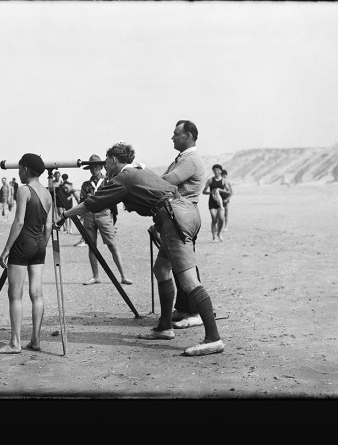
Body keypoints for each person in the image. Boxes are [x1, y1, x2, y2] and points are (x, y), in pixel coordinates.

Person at [58, 142, 224, 356]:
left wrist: (64, 215)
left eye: (107, 163)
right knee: (161, 270)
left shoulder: (123, 178)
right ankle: (165, 327)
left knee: (189, 280)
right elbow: (165, 191)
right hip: (180, 212)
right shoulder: (139, 170)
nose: (105, 167)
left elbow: (91, 204)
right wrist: (161, 224)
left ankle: (213, 338)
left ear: (114, 161)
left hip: (174, 218)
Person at [0, 153, 53, 354]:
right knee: (36, 294)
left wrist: (7, 249)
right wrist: (41, 246)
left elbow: (19, 222)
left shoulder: (23, 190)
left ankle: (15, 343)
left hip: (23, 244)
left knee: (15, 295)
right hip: (39, 245)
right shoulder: (47, 193)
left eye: (19, 169)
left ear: (26, 169)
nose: (18, 173)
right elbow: (48, 226)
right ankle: (36, 340)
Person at [159, 120, 205, 329]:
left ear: (188, 136)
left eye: (176, 134)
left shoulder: (191, 160)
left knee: (185, 266)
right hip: (176, 215)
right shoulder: (182, 158)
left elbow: (169, 180)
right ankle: (184, 308)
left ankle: (196, 312)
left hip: (184, 216)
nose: (172, 137)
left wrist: (144, 178)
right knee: (174, 265)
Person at [78, 154, 132, 286]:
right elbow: (82, 201)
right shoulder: (85, 185)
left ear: (102, 167)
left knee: (112, 244)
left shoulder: (108, 182)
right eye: (91, 167)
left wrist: (113, 217)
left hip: (104, 214)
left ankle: (123, 276)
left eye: (96, 166)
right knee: (92, 246)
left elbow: (113, 201)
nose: (93, 169)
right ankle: (95, 276)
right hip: (89, 215)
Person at [202, 164, 227, 242]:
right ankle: (213, 236)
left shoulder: (224, 181)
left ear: (221, 171)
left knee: (221, 219)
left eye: (218, 170)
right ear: (213, 171)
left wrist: (221, 190)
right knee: (214, 219)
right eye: (215, 170)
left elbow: (228, 191)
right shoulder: (210, 180)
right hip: (212, 202)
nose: (216, 171)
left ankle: (219, 233)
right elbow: (204, 191)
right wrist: (211, 192)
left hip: (221, 202)